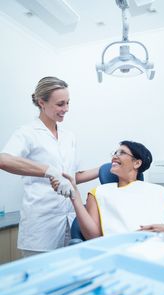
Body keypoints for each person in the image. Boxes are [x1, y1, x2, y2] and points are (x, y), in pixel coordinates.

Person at [0, 76, 99, 256]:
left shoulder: (69, 136)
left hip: (70, 220)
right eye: (60, 104)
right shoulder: (27, 133)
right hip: (41, 226)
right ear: (42, 102)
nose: (66, 109)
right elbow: (4, 160)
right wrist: (48, 171)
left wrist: (103, 170)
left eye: (68, 103)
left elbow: (71, 177)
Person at [52, 141, 164, 239]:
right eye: (115, 153)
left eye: (121, 153)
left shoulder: (159, 192)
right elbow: (93, 237)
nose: (114, 156)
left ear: (137, 163)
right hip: (119, 253)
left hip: (159, 250)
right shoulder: (98, 193)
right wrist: (75, 197)